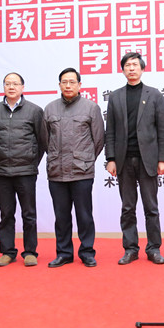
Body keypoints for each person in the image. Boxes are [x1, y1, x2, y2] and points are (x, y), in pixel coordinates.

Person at [105, 53, 164, 265]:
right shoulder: (115, 96)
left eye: (135, 65)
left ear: (142, 69)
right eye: (127, 65)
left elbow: (163, 129)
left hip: (148, 160)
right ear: (123, 70)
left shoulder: (154, 95)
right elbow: (110, 130)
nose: (131, 68)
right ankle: (130, 249)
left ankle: (154, 248)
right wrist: (111, 158)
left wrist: (162, 159)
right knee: (127, 208)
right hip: (124, 160)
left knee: (151, 207)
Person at [0, 72, 47, 267]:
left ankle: (30, 252)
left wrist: (31, 161)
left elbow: (42, 141)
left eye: (15, 84)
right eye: (7, 84)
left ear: (22, 87)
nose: (11, 87)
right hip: (2, 171)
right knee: (6, 214)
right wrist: (0, 156)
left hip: (26, 171)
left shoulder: (34, 111)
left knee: (29, 214)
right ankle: (7, 252)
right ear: (3, 87)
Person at [44, 68, 105, 267]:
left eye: (72, 82)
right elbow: (45, 140)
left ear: (80, 85)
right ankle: (64, 253)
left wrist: (84, 159)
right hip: (57, 172)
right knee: (61, 216)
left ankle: (87, 252)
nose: (68, 85)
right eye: (64, 82)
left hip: (82, 172)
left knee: (84, 215)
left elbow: (99, 140)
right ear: (59, 85)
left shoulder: (91, 108)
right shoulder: (50, 109)